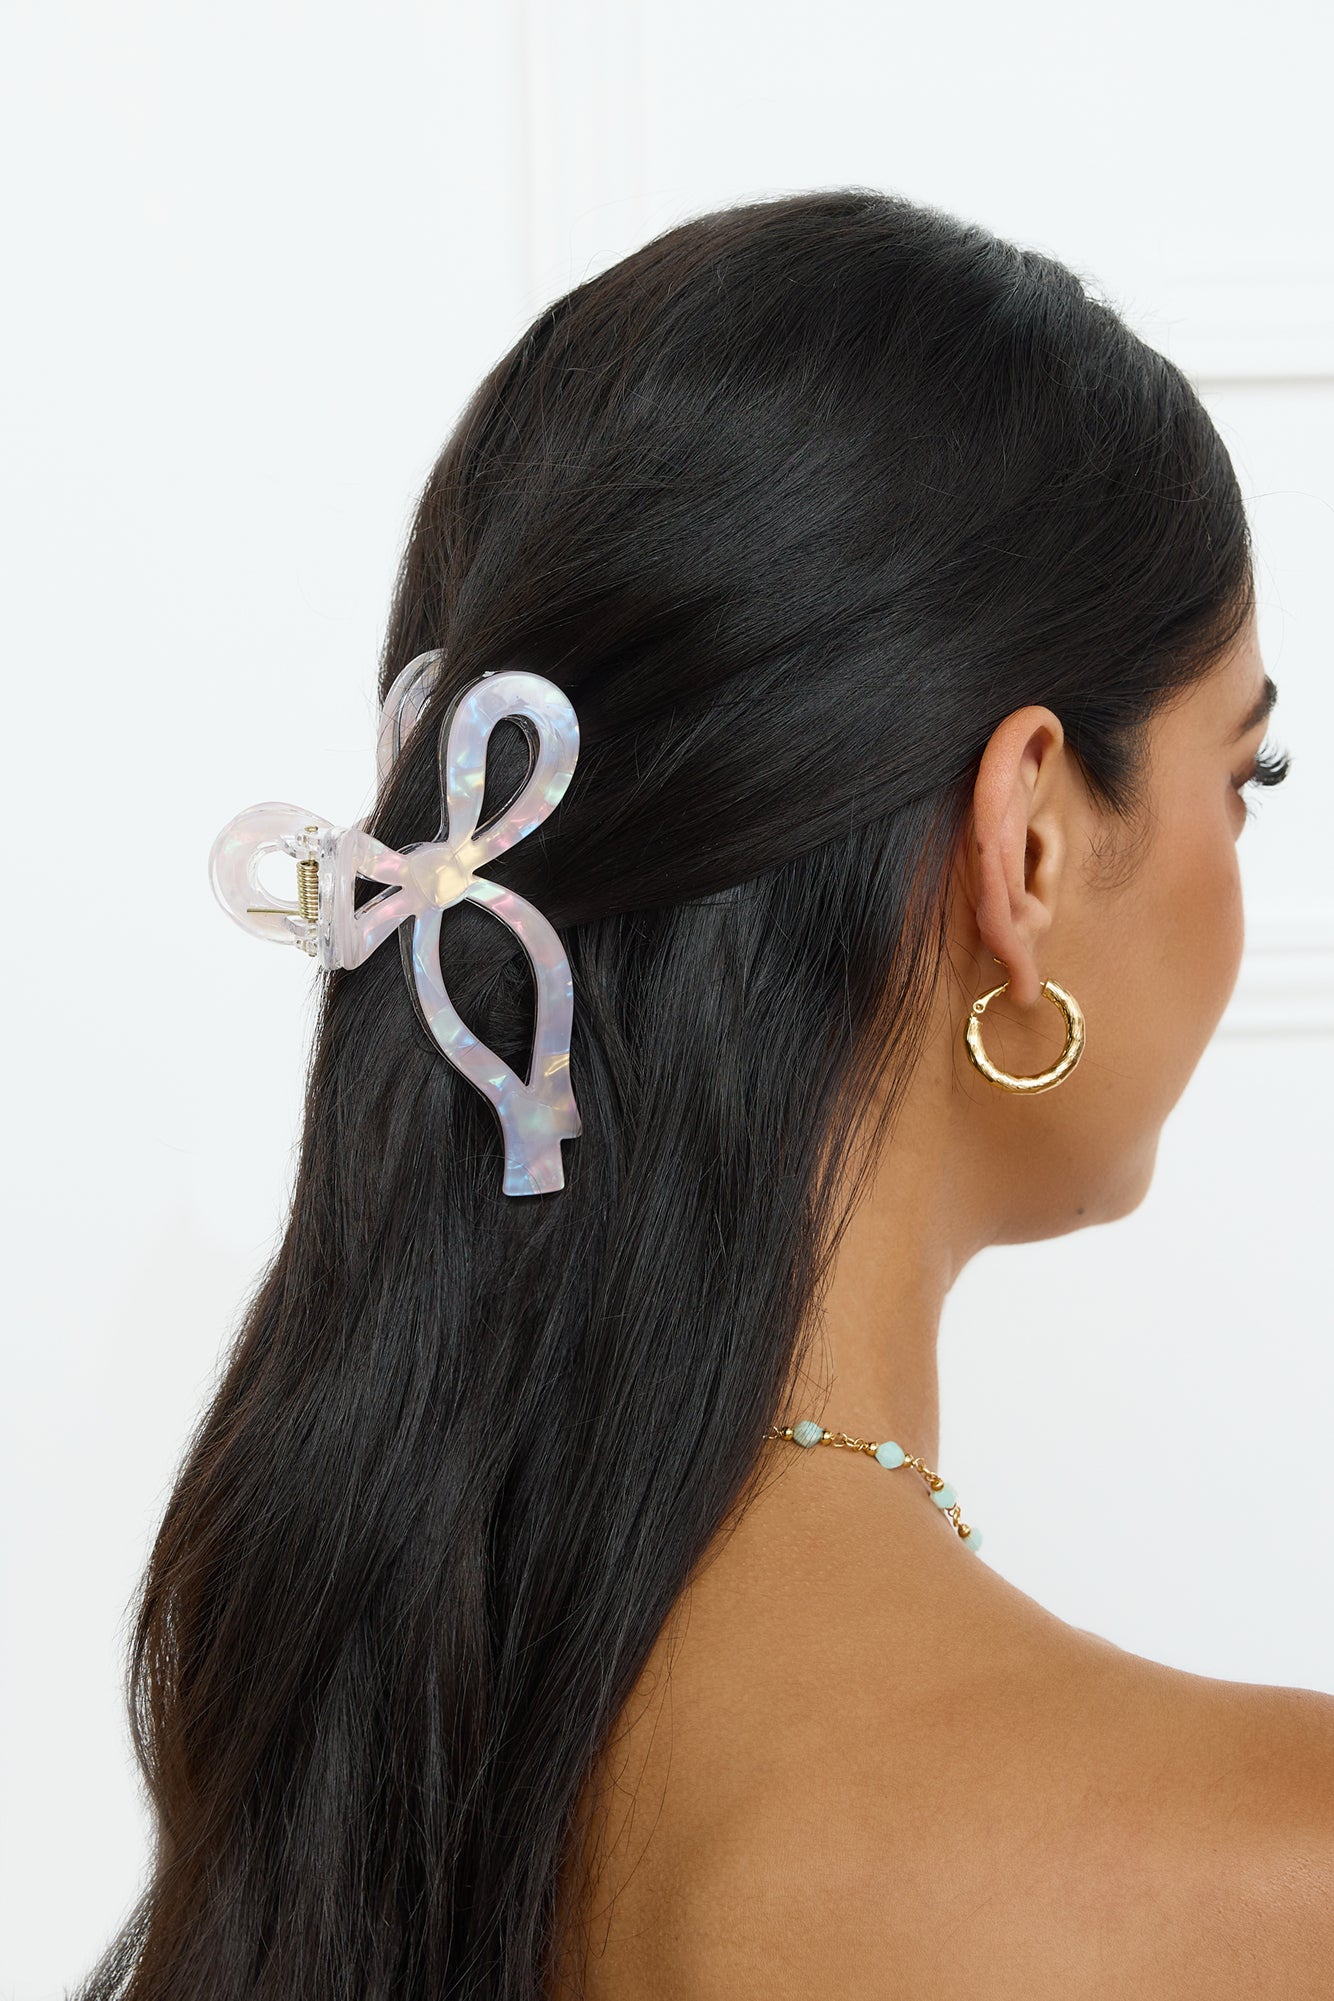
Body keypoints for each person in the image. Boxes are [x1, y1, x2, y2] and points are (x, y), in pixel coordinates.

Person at [79, 189, 1332, 2001]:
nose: (1238, 850)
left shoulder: (351, 1760)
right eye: (1245, 770)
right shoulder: (1282, 1873)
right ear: (1028, 839)